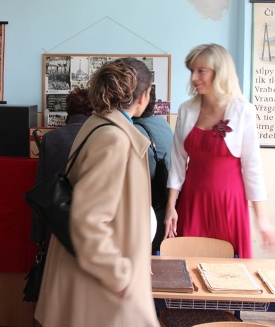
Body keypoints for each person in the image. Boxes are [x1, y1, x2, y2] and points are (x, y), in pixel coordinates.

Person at [35, 57, 159, 327]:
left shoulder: (99, 124)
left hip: (89, 276)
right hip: (99, 286)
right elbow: (88, 220)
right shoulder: (115, 139)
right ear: (143, 96)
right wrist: (119, 276)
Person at [164, 44, 275, 258]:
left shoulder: (243, 111)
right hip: (192, 200)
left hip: (229, 203)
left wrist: (262, 220)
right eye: (192, 71)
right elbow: (177, 163)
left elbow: (253, 168)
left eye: (201, 71)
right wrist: (171, 206)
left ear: (220, 73)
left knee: (229, 268)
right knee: (188, 263)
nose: (193, 78)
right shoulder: (186, 110)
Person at [29, 88, 93, 247]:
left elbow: (41, 186)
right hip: (90, 223)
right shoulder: (102, 137)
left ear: (68, 109)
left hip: (56, 224)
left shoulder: (50, 138)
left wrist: (38, 234)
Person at [133, 86, 173, 254]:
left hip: (151, 210)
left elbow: (143, 175)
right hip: (167, 202)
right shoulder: (163, 123)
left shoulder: (136, 131)